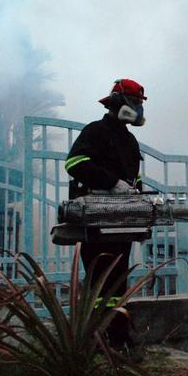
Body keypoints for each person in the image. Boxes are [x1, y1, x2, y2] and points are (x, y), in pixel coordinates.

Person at [64, 78, 148, 346]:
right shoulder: (95, 131)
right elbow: (75, 163)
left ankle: (117, 339)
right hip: (97, 224)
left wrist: (136, 194)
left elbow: (133, 181)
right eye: (134, 102)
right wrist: (111, 182)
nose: (137, 108)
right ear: (119, 103)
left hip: (122, 222)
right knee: (99, 281)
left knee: (118, 282)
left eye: (139, 104)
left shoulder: (130, 141)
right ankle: (94, 340)